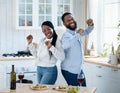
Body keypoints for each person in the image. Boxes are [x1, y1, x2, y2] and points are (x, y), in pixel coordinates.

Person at [61, 12, 94, 86]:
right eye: (68, 20)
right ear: (64, 24)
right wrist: (78, 34)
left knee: (84, 90)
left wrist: (90, 25)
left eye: (72, 19)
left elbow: (86, 31)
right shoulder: (66, 36)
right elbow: (66, 45)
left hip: (78, 69)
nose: (71, 21)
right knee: (76, 91)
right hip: (69, 70)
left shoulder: (76, 32)